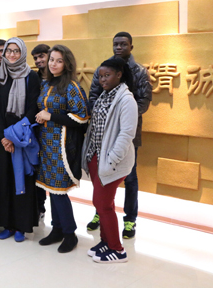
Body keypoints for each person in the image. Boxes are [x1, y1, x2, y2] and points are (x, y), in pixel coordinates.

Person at [87, 32, 151, 239]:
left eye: (123, 44)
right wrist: (104, 115)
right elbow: (93, 96)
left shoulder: (139, 71)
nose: (119, 47)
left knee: (130, 178)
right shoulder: (103, 69)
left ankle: (130, 220)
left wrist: (120, 116)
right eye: (116, 44)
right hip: (102, 134)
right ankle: (101, 212)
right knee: (101, 176)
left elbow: (143, 102)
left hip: (128, 134)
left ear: (131, 46)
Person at [82, 57, 138, 263]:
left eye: (107, 75)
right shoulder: (104, 96)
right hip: (97, 157)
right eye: (100, 76)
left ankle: (117, 249)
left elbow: (127, 134)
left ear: (119, 75)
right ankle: (106, 241)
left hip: (112, 162)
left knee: (102, 204)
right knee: (104, 203)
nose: (103, 80)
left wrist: (112, 159)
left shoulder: (126, 100)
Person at [36, 45, 90, 253]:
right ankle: (57, 229)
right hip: (46, 144)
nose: (53, 64)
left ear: (67, 63)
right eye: (51, 59)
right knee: (51, 189)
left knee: (59, 190)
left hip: (62, 146)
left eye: (59, 60)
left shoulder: (71, 86)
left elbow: (81, 117)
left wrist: (50, 116)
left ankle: (70, 233)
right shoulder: (46, 83)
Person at [0, 38, 41, 243]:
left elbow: (33, 107)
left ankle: (21, 226)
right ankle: (7, 224)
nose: (11, 54)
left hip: (21, 137)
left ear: (23, 53)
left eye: (16, 51)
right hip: (2, 138)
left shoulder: (31, 77)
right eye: (8, 51)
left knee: (23, 181)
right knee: (4, 181)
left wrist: (13, 135)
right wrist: (4, 136)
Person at [31, 43, 51, 218]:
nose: (38, 60)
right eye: (35, 58)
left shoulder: (60, 78)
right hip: (36, 131)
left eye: (41, 56)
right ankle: (39, 207)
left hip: (55, 132)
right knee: (36, 170)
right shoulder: (33, 78)